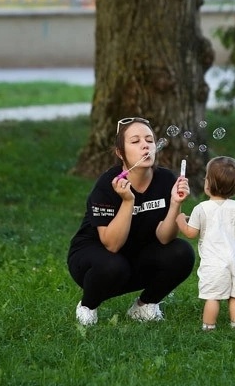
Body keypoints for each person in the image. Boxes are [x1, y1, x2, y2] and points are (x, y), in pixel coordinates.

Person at [67, 117, 195, 326]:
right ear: (120, 152)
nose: (145, 145)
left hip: (136, 254)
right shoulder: (108, 185)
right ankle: (88, 306)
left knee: (181, 252)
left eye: (149, 140)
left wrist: (175, 203)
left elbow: (164, 238)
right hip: (95, 260)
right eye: (135, 141)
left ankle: (144, 306)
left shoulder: (166, 180)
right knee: (113, 265)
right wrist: (128, 201)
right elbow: (112, 244)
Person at [176, 156, 235, 331]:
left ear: (207, 184)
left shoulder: (201, 208)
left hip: (214, 264)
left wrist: (180, 221)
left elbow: (191, 232)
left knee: (212, 297)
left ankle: (209, 327)